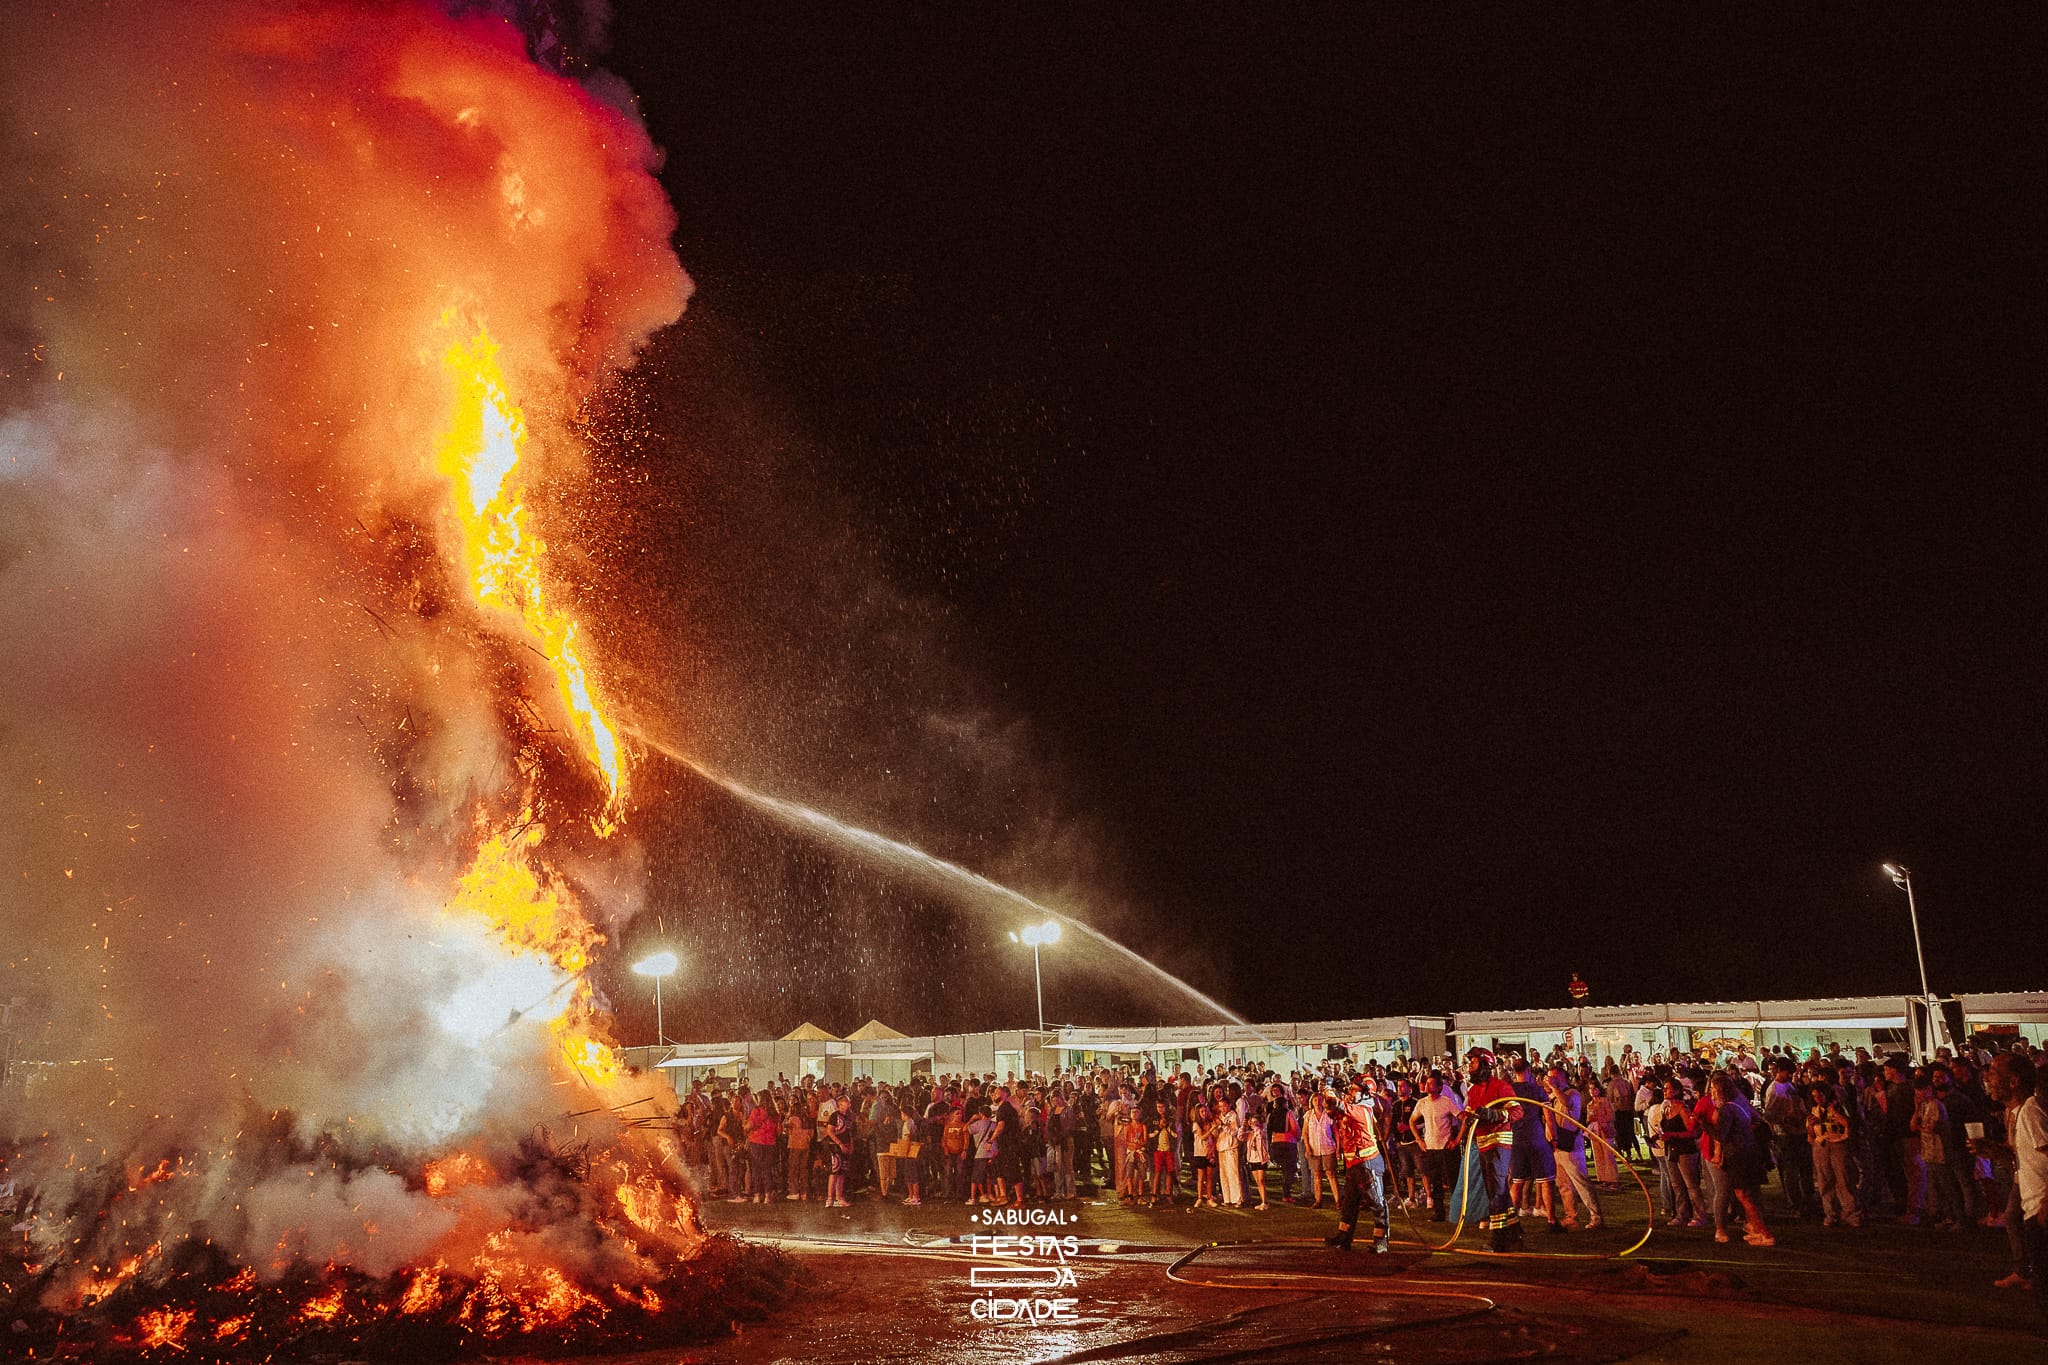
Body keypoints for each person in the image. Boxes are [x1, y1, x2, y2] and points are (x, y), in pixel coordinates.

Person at [1459, 1049, 1524, 1251]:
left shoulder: (1500, 1086)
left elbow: (1517, 1111)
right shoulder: (1473, 1091)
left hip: (1499, 1143)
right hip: (1482, 1143)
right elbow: (1469, 1113)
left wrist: (1494, 1115)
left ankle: (1499, 1239)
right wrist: (1466, 1118)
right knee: (1496, 1190)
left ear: (1485, 1065)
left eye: (1474, 1062)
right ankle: (1515, 1233)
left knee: (1496, 1191)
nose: (1470, 1066)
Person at [1706, 1073, 1775, 1247]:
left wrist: (1704, 1125)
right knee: (1746, 1195)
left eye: (1714, 1089)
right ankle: (1757, 1230)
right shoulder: (1739, 1104)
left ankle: (1765, 1234)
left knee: (1744, 1196)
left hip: (1738, 1156)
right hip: (1748, 1153)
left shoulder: (1727, 1109)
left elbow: (1721, 1135)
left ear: (1721, 1090)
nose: (1711, 1092)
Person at [1324, 1087, 1391, 1253]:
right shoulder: (1354, 1109)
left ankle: (1381, 1240)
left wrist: (1331, 1093)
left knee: (1377, 1203)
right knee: (1349, 1203)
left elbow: (1338, 1105)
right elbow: (1332, 1112)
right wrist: (1327, 1100)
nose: (1349, 1092)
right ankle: (1344, 1237)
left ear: (1365, 1093)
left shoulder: (1362, 1109)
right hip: (1354, 1164)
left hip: (1367, 1164)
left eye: (1354, 1090)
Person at [1546, 1067, 1603, 1230]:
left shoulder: (1573, 1094)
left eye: (1553, 1077)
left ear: (1562, 1078)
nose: (1550, 1080)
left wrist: (1554, 1087)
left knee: (1580, 1181)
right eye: (1549, 1077)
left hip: (1570, 1144)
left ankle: (1596, 1216)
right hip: (1556, 1145)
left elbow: (1567, 1103)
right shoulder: (1551, 1096)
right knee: (1563, 1184)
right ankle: (1571, 1216)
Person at [1805, 1080, 1860, 1227]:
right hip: (1820, 1145)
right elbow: (1810, 1135)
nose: (1818, 1099)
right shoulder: (1814, 1110)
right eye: (1814, 1096)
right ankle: (1831, 1214)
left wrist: (1834, 1112)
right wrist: (1811, 1125)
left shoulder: (1838, 1106)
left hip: (1838, 1144)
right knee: (1825, 1180)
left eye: (1820, 1095)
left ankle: (1851, 1213)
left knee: (1844, 1178)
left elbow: (1848, 1123)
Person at [1412, 1071, 1463, 1222]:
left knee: (1452, 1181)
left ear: (1439, 1087)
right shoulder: (1422, 1103)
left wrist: (1457, 1140)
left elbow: (1463, 1118)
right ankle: (1439, 1212)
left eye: (1430, 1083)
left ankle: (1458, 1211)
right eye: (1426, 1083)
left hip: (1446, 1148)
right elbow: (1412, 1121)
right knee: (1435, 1182)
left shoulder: (1446, 1102)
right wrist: (1419, 1140)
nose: (1427, 1085)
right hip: (1430, 1148)